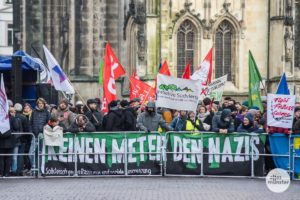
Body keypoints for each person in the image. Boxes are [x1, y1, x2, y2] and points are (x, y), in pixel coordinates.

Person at [29, 98, 51, 171]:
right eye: (39, 103)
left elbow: (49, 123)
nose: (41, 104)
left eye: (42, 103)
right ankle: (34, 167)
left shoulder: (47, 112)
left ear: (44, 104)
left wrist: (45, 128)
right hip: (34, 135)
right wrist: (31, 131)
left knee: (40, 153)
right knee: (31, 153)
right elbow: (30, 123)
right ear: (37, 104)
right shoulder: (33, 112)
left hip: (42, 135)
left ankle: (39, 168)